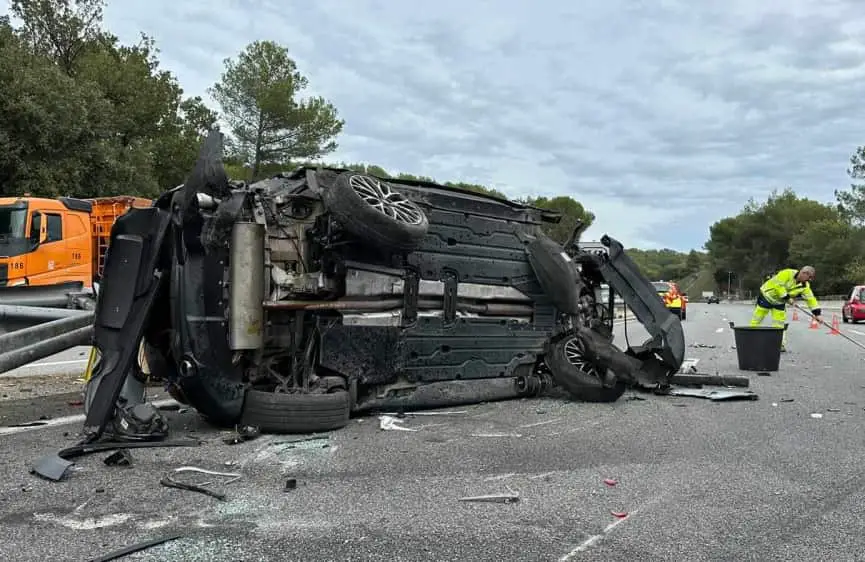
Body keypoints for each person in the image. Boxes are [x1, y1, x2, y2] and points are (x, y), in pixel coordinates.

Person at [750, 265, 822, 352]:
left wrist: (817, 314)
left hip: (779, 302)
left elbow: (811, 299)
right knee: (757, 319)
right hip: (766, 297)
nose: (809, 280)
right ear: (804, 273)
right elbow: (778, 286)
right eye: (809, 277)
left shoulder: (805, 286)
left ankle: (779, 344)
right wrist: (788, 298)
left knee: (779, 323)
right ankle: (750, 340)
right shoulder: (787, 273)